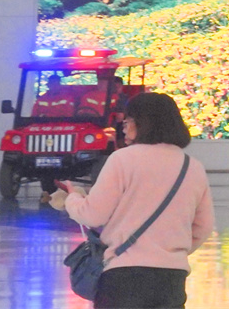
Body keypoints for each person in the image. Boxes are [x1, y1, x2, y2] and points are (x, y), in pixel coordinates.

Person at [55, 92, 215, 308]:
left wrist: (72, 198)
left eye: (127, 121)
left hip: (123, 277)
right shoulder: (192, 166)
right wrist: (170, 253)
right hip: (172, 279)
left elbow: (93, 215)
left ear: (143, 123)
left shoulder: (122, 159)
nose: (123, 128)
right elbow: (203, 226)